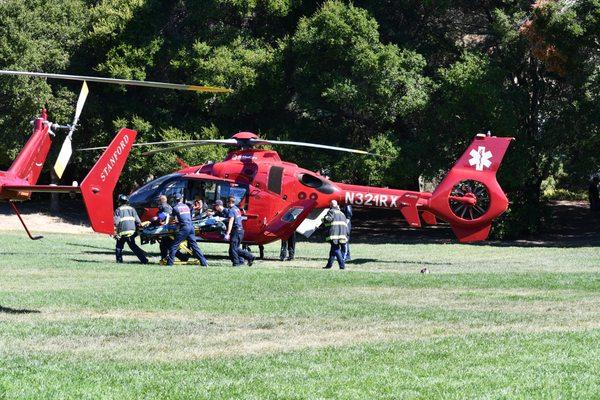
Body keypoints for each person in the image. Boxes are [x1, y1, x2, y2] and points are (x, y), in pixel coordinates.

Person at [167, 193, 208, 267]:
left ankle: (169, 264)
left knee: (174, 246)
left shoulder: (175, 208)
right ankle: (204, 263)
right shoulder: (186, 206)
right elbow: (186, 217)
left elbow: (171, 220)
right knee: (194, 246)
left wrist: (168, 225)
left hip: (184, 228)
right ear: (181, 198)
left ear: (174, 200)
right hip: (191, 227)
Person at [114, 194, 148, 264]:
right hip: (132, 233)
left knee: (119, 247)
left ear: (119, 202)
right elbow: (138, 221)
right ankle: (144, 260)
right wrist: (140, 229)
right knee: (133, 247)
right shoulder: (132, 209)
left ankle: (119, 261)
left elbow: (116, 222)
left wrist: (115, 232)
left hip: (122, 233)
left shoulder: (118, 210)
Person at [223, 196, 255, 267]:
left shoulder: (231, 210)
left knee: (233, 248)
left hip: (236, 231)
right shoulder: (237, 209)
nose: (227, 203)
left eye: (227, 202)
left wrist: (228, 233)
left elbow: (231, 222)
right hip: (240, 231)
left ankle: (245, 259)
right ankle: (240, 261)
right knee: (234, 248)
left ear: (229, 202)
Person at [322, 200, 348, 270]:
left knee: (336, 249)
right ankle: (329, 265)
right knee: (333, 251)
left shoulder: (331, 211)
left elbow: (329, 219)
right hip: (342, 234)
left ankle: (342, 266)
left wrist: (324, 218)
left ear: (331, 205)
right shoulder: (342, 213)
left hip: (334, 235)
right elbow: (346, 225)